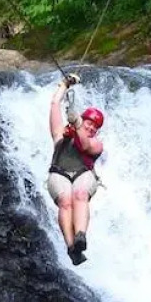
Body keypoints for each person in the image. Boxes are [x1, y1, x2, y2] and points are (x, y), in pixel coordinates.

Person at [47, 75, 104, 266]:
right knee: (65, 201)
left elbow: (85, 146)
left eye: (95, 127)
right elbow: (55, 104)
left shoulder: (96, 144)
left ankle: (80, 235)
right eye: (89, 122)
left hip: (83, 174)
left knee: (79, 194)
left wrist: (78, 124)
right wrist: (64, 85)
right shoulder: (60, 135)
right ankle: (72, 248)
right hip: (59, 172)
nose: (91, 127)